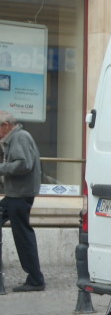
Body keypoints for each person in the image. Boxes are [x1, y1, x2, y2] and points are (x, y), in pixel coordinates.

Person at [0, 110, 45, 292]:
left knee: (23, 235)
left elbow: (23, 164)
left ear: (6, 125)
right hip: (15, 194)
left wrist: (1, 168)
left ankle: (35, 279)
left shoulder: (20, 137)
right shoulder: (15, 137)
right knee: (23, 235)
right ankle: (34, 278)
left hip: (20, 195)